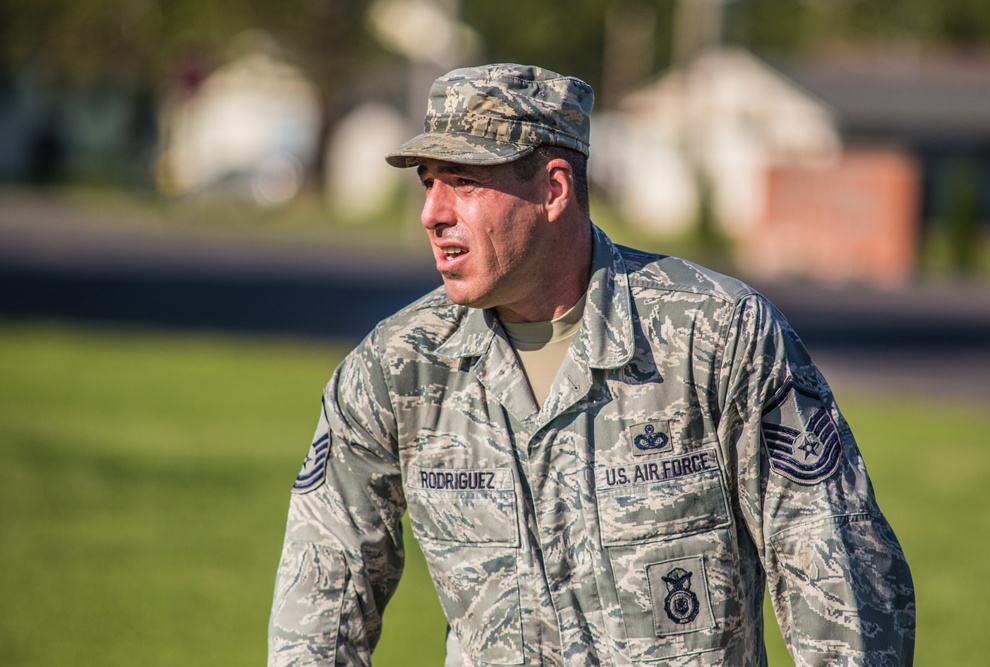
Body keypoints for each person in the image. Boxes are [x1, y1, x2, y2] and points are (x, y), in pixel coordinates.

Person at [268, 63, 916, 666]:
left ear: (553, 188)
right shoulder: (396, 369)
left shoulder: (715, 335)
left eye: (463, 181)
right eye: (428, 181)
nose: (432, 213)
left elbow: (839, 577)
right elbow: (320, 601)